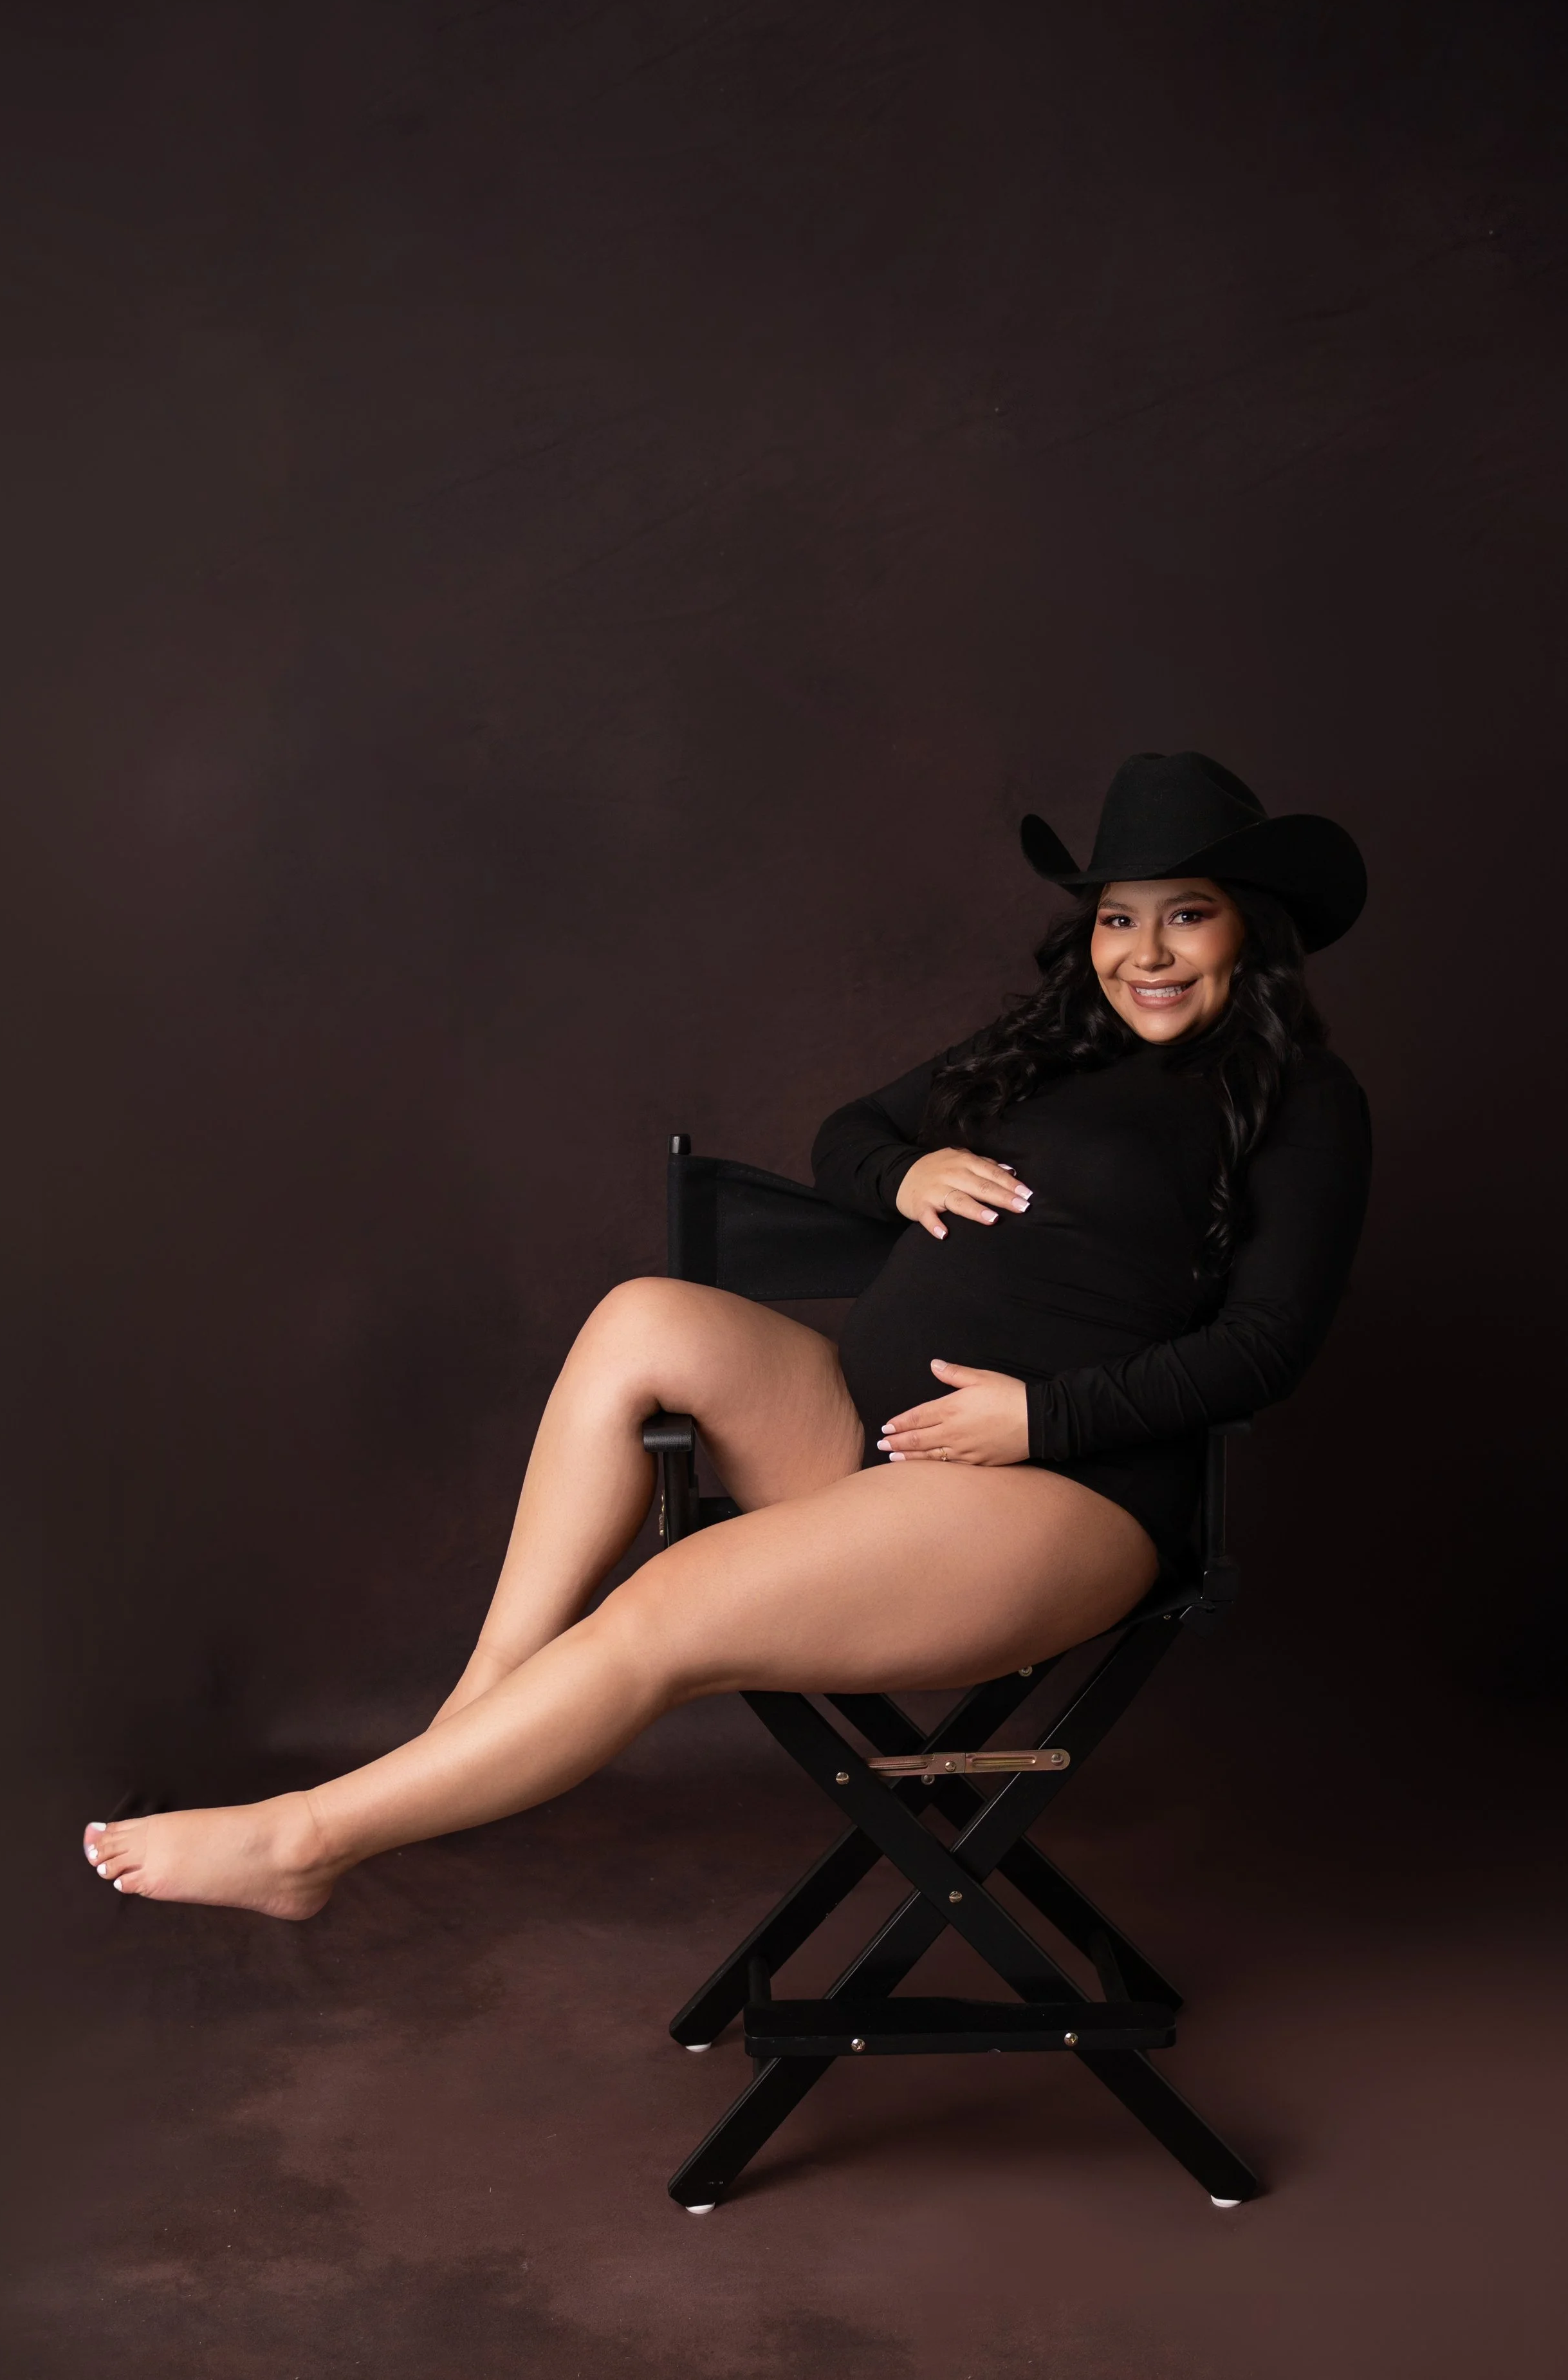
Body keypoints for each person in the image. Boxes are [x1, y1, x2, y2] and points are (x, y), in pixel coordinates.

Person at [82, 751, 1370, 1920]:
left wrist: (1040, 1418)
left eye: (1186, 915)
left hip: (1060, 1499)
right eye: (1117, 918)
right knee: (641, 1314)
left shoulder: (1301, 1100)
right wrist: (906, 1173)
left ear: (1249, 929)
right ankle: (474, 1712)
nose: (1144, 952)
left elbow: (1267, 1346)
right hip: (872, 1447)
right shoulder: (1047, 1049)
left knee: (670, 1601)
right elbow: (847, 1135)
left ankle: (306, 1843)